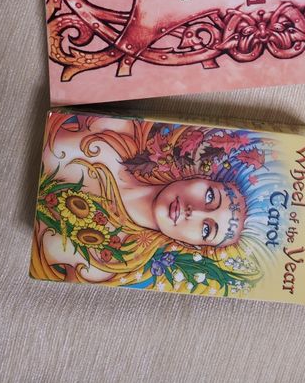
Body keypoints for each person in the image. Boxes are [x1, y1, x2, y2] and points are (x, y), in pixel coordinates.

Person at [31, 112, 281, 296]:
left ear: (193, 245)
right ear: (201, 175)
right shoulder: (117, 133)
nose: (194, 212)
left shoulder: (107, 263)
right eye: (210, 197)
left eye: (207, 229)